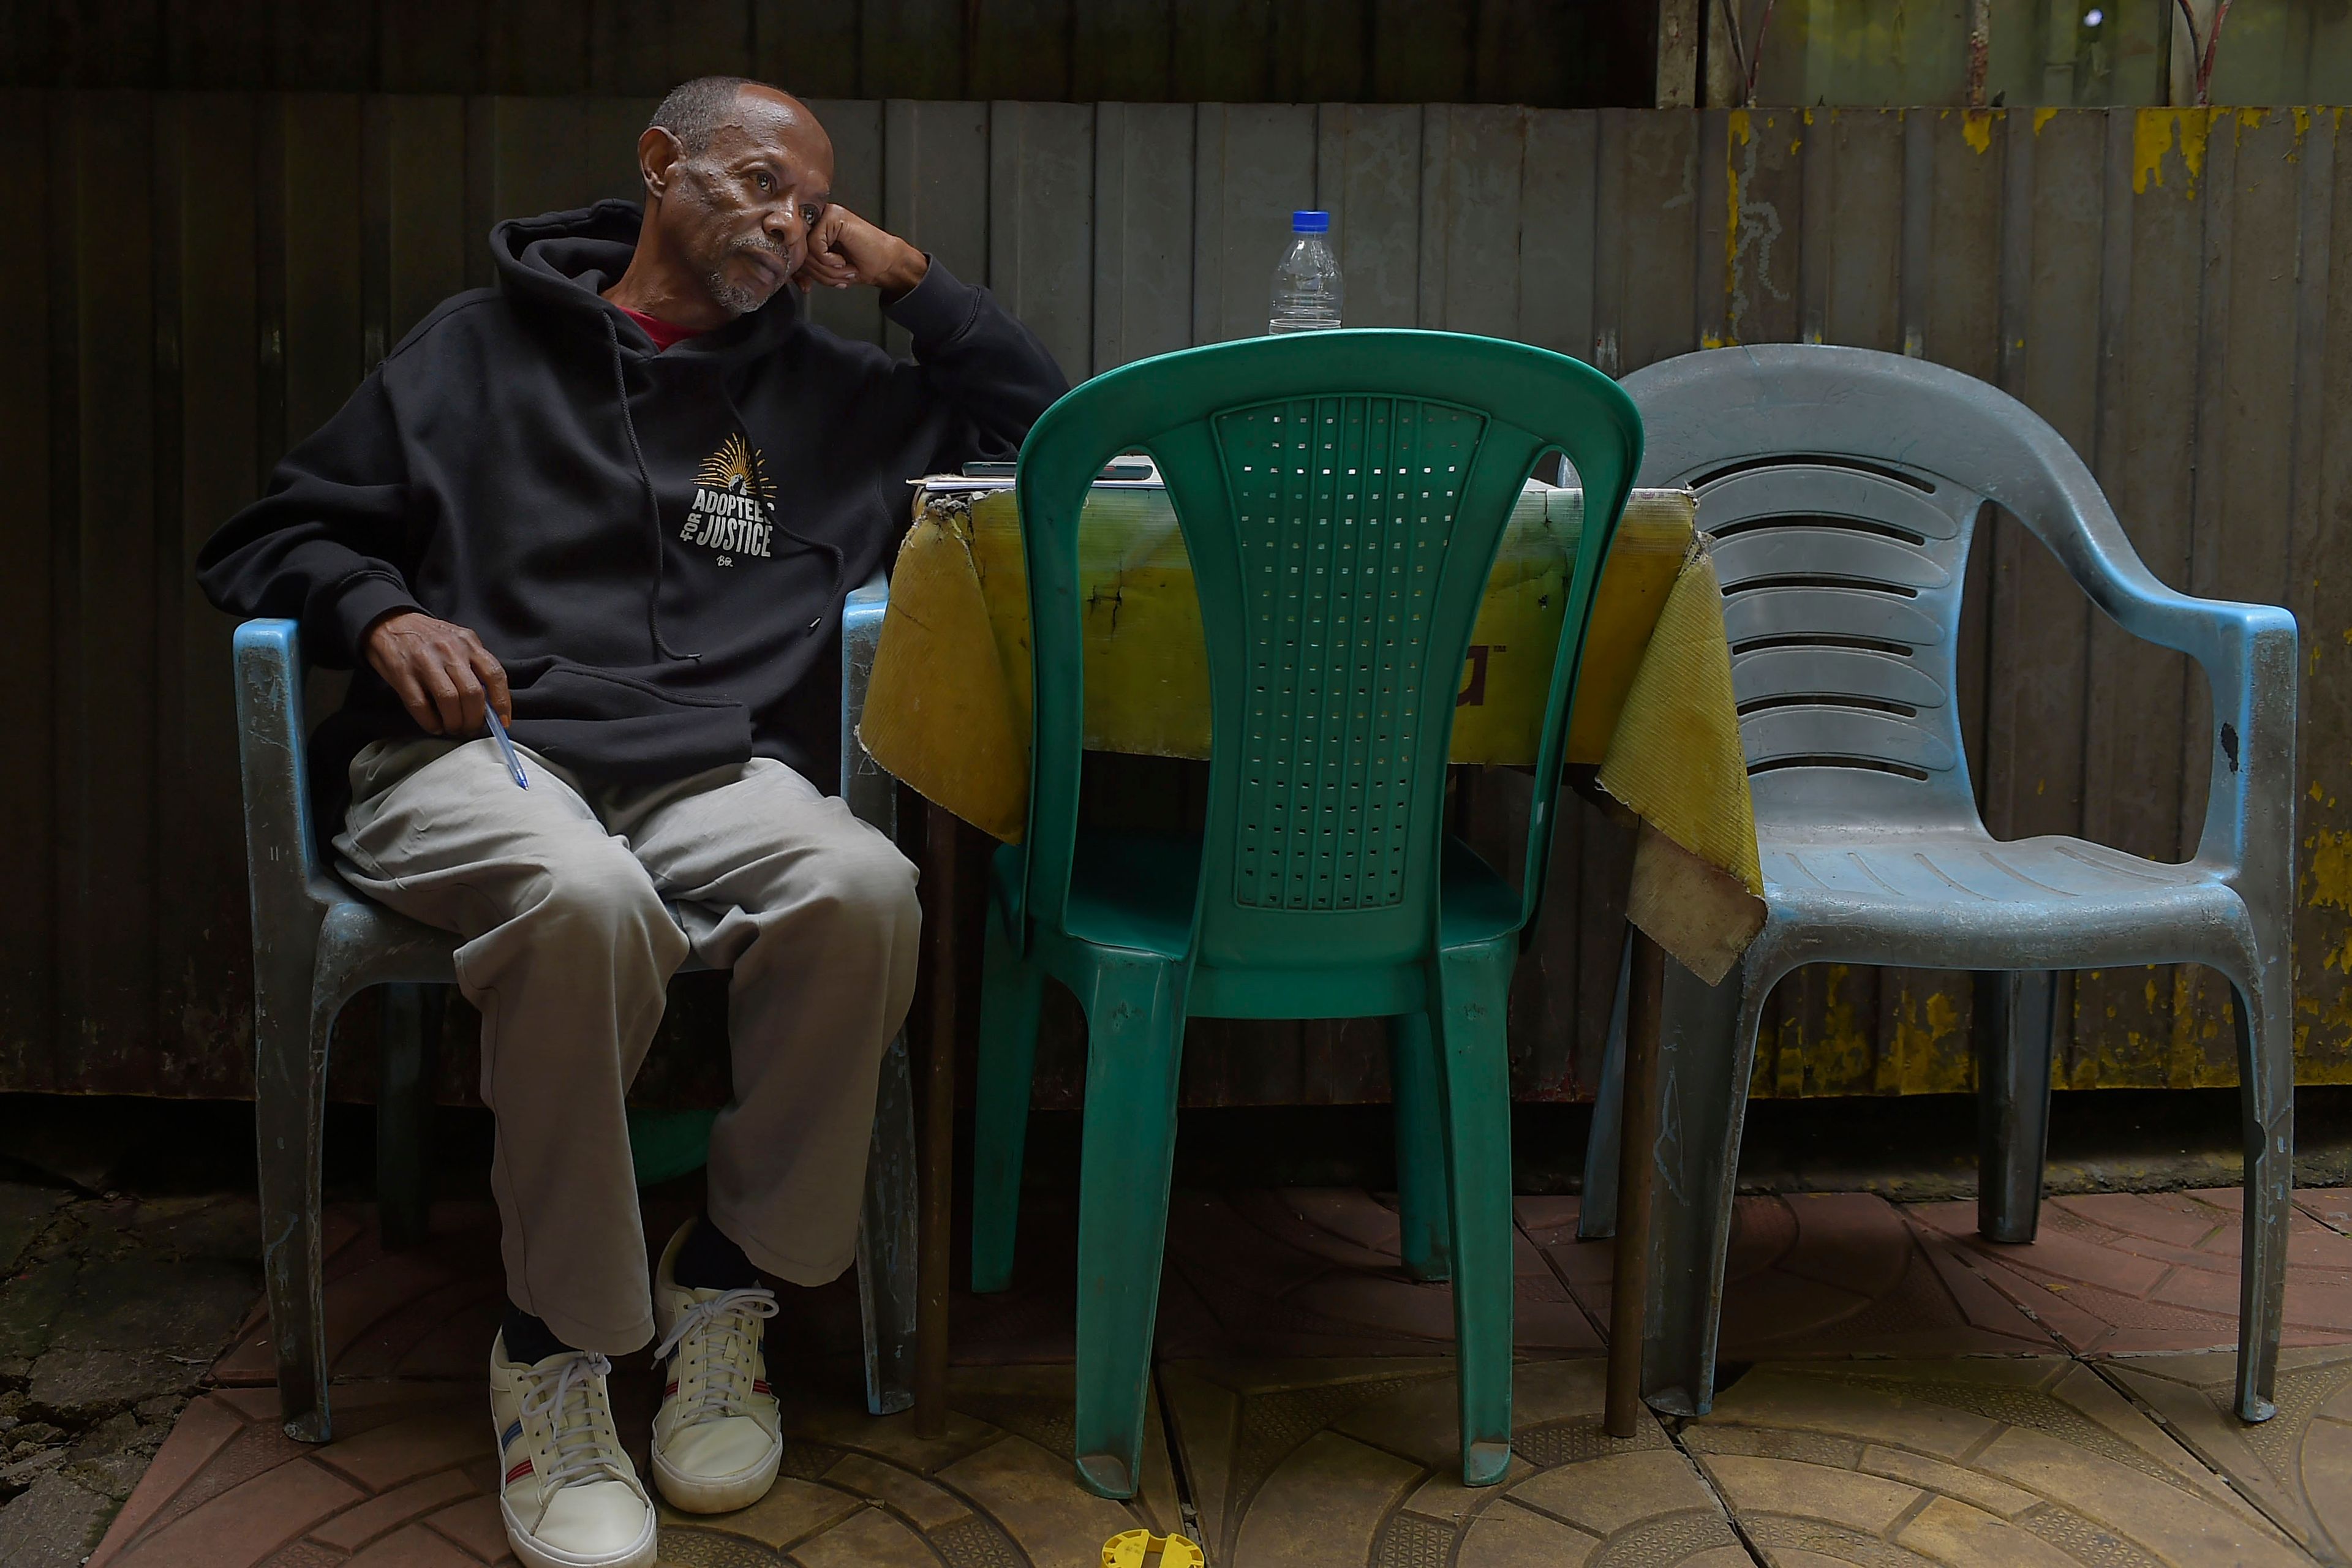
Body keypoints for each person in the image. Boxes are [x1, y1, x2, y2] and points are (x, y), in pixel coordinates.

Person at [197, 77, 1067, 1568]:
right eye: (754, 181)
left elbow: (1044, 440)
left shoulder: (832, 395)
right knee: (581, 893)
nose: (784, 219)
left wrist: (911, 281)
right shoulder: (472, 353)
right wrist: (381, 610)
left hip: (698, 764)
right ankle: (555, 1348)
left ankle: (726, 1282)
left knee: (863, 886)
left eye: (810, 203)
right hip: (477, 748)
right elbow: (277, 531)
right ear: (660, 165)